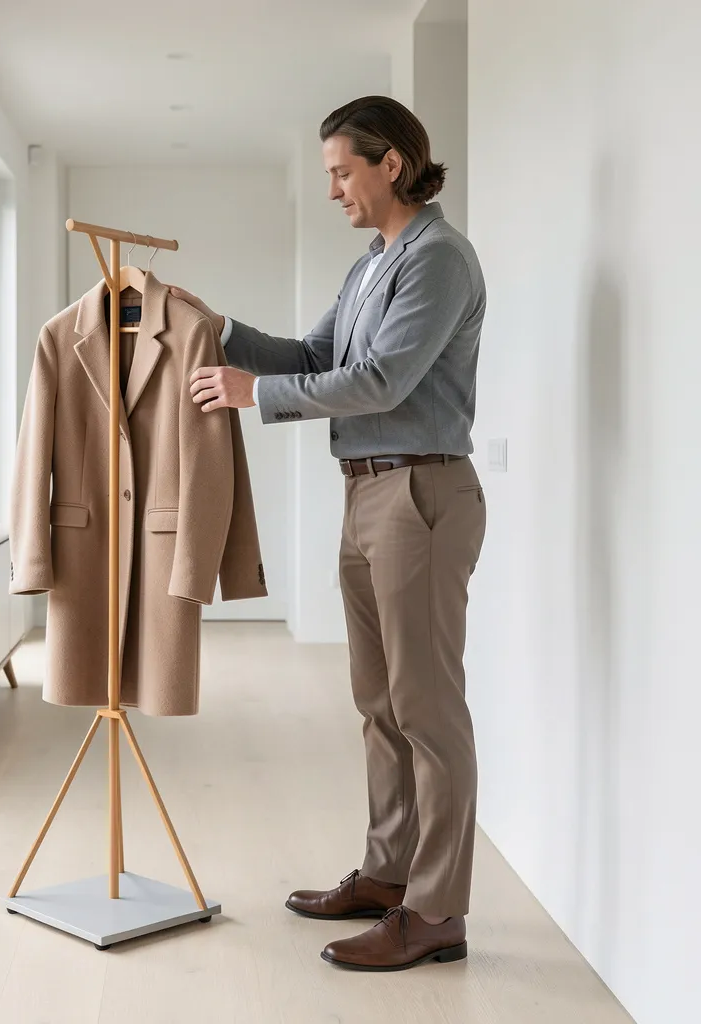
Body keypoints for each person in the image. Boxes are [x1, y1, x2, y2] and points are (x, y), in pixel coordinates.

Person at [181, 95, 487, 972]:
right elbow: (321, 356)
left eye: (340, 171)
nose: (333, 189)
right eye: (328, 175)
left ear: (391, 164)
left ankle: (436, 912)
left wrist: (253, 398)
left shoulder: (438, 260)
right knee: (379, 705)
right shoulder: (371, 264)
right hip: (367, 495)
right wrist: (221, 331)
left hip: (421, 494)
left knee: (429, 711)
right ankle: (390, 876)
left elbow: (383, 379)